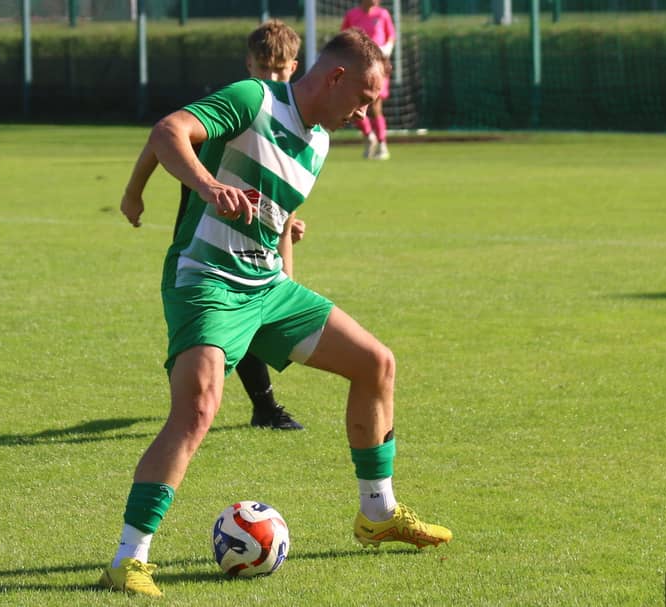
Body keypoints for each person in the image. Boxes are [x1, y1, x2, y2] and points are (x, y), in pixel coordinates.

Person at [101, 28, 452, 598]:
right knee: (197, 410)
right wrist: (206, 186)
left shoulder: (320, 143)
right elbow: (169, 131)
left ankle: (377, 513)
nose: (365, 115)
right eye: (364, 99)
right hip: (208, 280)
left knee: (376, 363)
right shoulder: (254, 98)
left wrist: (286, 265)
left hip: (268, 287)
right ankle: (128, 559)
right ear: (335, 77)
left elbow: (275, 216)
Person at [120, 20, 307, 431]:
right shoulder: (237, 106)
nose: (271, 77)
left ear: (294, 68)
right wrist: (134, 193)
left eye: (279, 70)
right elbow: (162, 138)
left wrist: (284, 231)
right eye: (263, 68)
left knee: (248, 315)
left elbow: (280, 192)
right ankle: (253, 405)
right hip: (204, 238)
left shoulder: (295, 124)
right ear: (248, 65)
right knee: (221, 322)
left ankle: (260, 407)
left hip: (254, 243)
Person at [341, 0, 396, 160]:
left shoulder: (383, 14)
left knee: (376, 105)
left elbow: (391, 36)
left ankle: (382, 144)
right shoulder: (352, 15)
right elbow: (343, 38)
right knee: (353, 105)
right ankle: (368, 135)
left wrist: (386, 49)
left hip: (378, 66)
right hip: (358, 66)